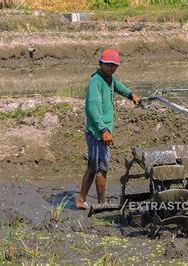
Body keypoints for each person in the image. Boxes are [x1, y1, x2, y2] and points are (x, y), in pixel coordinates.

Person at [76, 48, 140, 209]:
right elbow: (93, 108)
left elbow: (119, 87)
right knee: (100, 168)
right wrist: (104, 130)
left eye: (114, 65)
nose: (111, 68)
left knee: (94, 167)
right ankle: (100, 204)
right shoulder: (96, 82)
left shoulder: (109, 79)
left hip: (102, 131)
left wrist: (131, 95)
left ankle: (83, 200)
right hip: (98, 133)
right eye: (108, 65)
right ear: (101, 64)